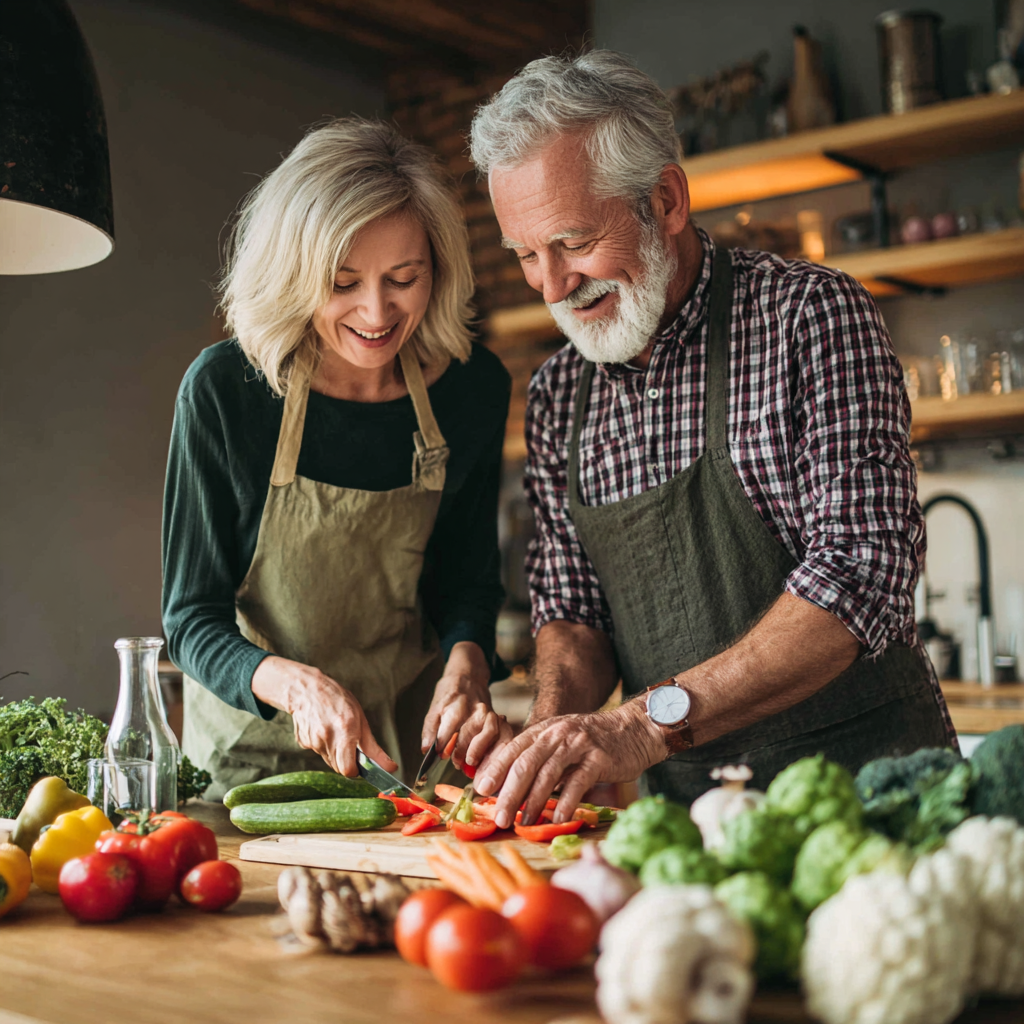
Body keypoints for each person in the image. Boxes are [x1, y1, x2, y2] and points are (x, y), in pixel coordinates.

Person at [466, 52, 953, 829]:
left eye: (572, 240)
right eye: (526, 254)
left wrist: (635, 726)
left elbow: (863, 571)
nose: (552, 285)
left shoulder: (809, 318)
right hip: (687, 828)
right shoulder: (560, 394)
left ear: (664, 201)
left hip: (873, 803)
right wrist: (552, 735)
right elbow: (573, 608)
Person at [162, 119, 512, 798]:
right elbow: (190, 621)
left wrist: (468, 666)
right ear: (294, 274)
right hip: (247, 775)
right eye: (343, 283)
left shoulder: (472, 390)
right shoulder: (226, 392)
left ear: (435, 270)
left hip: (404, 766)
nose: (377, 311)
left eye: (403, 278)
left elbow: (467, 584)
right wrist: (298, 687)